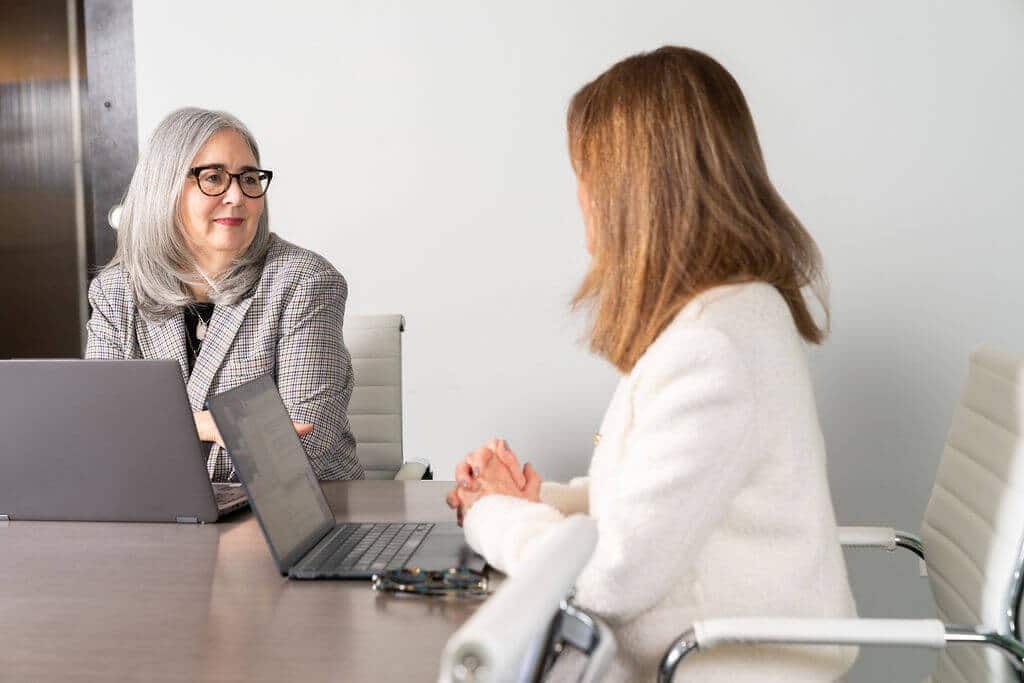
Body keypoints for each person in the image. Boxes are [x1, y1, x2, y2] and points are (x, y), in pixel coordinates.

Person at [446, 47, 857, 681]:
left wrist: (492, 517)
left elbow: (606, 579)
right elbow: (641, 505)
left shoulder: (711, 350)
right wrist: (536, 500)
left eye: (586, 173)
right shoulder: (726, 316)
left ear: (631, 190)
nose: (579, 195)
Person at [86, 107, 363, 481]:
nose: (237, 196)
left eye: (248, 178)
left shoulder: (304, 281)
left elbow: (300, 446)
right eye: (213, 177)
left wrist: (148, 431)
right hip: (162, 514)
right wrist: (204, 426)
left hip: (298, 516)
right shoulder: (117, 290)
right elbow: (96, 434)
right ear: (163, 187)